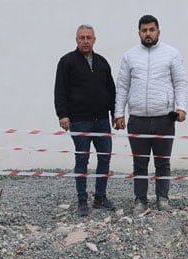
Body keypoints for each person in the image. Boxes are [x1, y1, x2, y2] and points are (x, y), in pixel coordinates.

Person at [114, 14, 187, 213]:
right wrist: (119, 114)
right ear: (139, 32)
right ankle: (140, 200)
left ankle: (163, 199)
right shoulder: (129, 56)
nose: (148, 33)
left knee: (163, 162)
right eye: (144, 30)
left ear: (158, 31)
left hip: (164, 118)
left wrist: (181, 108)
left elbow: (180, 83)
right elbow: (123, 86)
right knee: (140, 163)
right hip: (137, 119)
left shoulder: (171, 54)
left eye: (151, 30)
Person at [54, 24, 117, 217]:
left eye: (89, 37)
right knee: (82, 159)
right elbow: (60, 90)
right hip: (79, 120)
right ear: (76, 40)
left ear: (94, 40)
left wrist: (115, 114)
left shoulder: (102, 62)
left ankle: (100, 197)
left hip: (102, 121)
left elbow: (111, 90)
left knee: (105, 157)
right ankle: (82, 200)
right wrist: (62, 115)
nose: (85, 41)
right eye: (82, 37)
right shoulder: (67, 62)